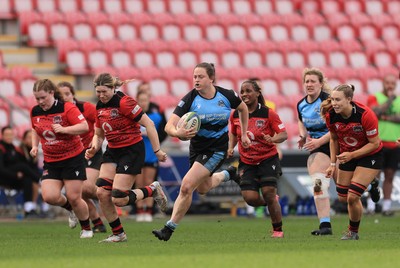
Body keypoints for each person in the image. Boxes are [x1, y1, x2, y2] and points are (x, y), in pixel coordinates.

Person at [152, 62, 250, 241]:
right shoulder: (189, 99)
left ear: (211, 78)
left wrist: (243, 133)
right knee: (203, 188)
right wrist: (178, 132)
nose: (196, 80)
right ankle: (228, 174)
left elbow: (243, 109)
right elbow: (169, 126)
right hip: (197, 149)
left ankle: (169, 228)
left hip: (217, 149)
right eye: (194, 76)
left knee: (186, 186)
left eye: (201, 76)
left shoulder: (227, 95)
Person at [85, 73, 168, 243]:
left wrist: (157, 150)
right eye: (98, 92)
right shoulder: (99, 106)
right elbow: (99, 134)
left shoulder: (125, 102)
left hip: (131, 150)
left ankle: (152, 190)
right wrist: (94, 146)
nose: (101, 95)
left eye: (104, 91)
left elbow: (149, 124)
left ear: (113, 88)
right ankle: (118, 233)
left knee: (119, 199)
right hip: (112, 150)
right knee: (101, 193)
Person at [30, 79, 93, 238]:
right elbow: (35, 129)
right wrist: (34, 146)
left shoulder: (66, 107)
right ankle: (70, 209)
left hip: (72, 158)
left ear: (52, 93)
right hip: (51, 160)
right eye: (37, 98)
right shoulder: (35, 111)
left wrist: (65, 129)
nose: (40, 101)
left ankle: (86, 228)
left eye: (43, 97)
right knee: (49, 197)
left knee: (74, 197)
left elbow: (84, 126)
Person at [226, 80, 288, 238]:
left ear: (257, 93)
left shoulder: (268, 113)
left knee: (268, 191)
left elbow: (283, 134)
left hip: (267, 159)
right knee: (250, 198)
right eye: (242, 91)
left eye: (248, 91)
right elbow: (233, 133)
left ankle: (277, 230)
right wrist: (230, 147)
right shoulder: (235, 113)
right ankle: (272, 200)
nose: (244, 94)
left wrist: (273, 140)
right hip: (247, 161)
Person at [323, 84, 383, 240]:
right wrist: (332, 164)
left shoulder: (365, 115)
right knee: (343, 198)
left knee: (352, 196)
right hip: (347, 154)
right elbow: (334, 139)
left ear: (349, 99)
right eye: (332, 99)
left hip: (370, 154)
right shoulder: (331, 115)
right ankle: (371, 185)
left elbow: (374, 143)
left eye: (338, 100)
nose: (334, 103)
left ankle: (353, 232)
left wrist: (352, 155)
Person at [57, 81, 107, 232]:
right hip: (72, 155)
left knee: (87, 188)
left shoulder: (86, 108)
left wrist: (96, 142)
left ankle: (113, 197)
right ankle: (97, 223)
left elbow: (101, 123)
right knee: (77, 192)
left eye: (67, 93)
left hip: (90, 151)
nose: (64, 97)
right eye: (61, 95)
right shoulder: (57, 114)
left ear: (73, 94)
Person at [296, 68, 334, 236]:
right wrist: (303, 135)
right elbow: (300, 120)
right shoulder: (301, 104)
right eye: (307, 81)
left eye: (313, 81)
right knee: (318, 183)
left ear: (320, 83)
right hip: (318, 147)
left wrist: (319, 140)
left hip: (336, 143)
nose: (309, 84)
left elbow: (337, 129)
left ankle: (371, 185)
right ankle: (325, 225)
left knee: (344, 189)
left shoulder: (328, 102)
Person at [366, 74, 399, 216]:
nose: (390, 86)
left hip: (394, 143)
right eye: (388, 83)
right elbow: (374, 112)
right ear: (383, 83)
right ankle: (371, 206)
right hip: (377, 143)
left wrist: (384, 117)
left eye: (392, 83)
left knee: (390, 175)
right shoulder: (374, 97)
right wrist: (390, 100)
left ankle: (386, 207)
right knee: (374, 175)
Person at [134, 90, 164, 222]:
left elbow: (152, 131)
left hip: (151, 154)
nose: (143, 103)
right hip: (138, 154)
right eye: (140, 100)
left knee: (149, 183)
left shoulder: (156, 117)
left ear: (149, 101)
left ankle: (149, 211)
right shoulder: (133, 117)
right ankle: (140, 210)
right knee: (139, 184)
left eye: (145, 100)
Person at [0, 126, 40, 218]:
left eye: (11, 135)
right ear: (2, 135)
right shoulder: (1, 148)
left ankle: (29, 209)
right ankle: (40, 179)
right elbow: (1, 169)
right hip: (3, 178)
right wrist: (15, 174)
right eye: (7, 135)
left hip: (13, 179)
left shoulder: (14, 148)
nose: (9, 137)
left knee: (28, 180)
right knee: (22, 166)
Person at [19, 129, 52, 217]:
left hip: (32, 177)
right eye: (29, 138)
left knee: (44, 182)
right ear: (24, 139)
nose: (31, 140)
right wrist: (39, 178)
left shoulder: (34, 151)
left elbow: (35, 169)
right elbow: (23, 168)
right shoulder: (20, 151)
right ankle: (30, 209)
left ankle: (44, 209)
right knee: (34, 182)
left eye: (32, 138)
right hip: (20, 178)